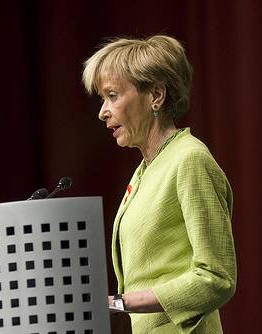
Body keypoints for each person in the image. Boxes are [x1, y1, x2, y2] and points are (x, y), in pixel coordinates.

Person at [82, 35, 237, 333]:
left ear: (155, 95)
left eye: (112, 96)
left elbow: (217, 278)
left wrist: (119, 302)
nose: (102, 111)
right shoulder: (145, 170)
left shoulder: (189, 159)